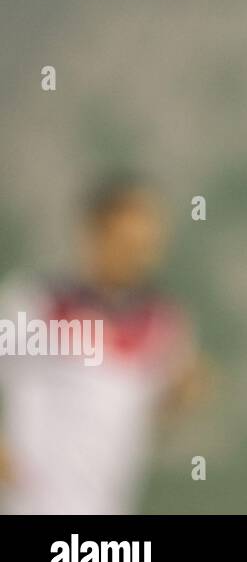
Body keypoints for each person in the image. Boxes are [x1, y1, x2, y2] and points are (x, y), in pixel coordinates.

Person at [0, 175, 205, 514]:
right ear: (93, 235)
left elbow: (136, 408)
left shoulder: (163, 327)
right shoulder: (36, 305)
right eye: (126, 244)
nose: (137, 257)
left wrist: (180, 394)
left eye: (145, 246)